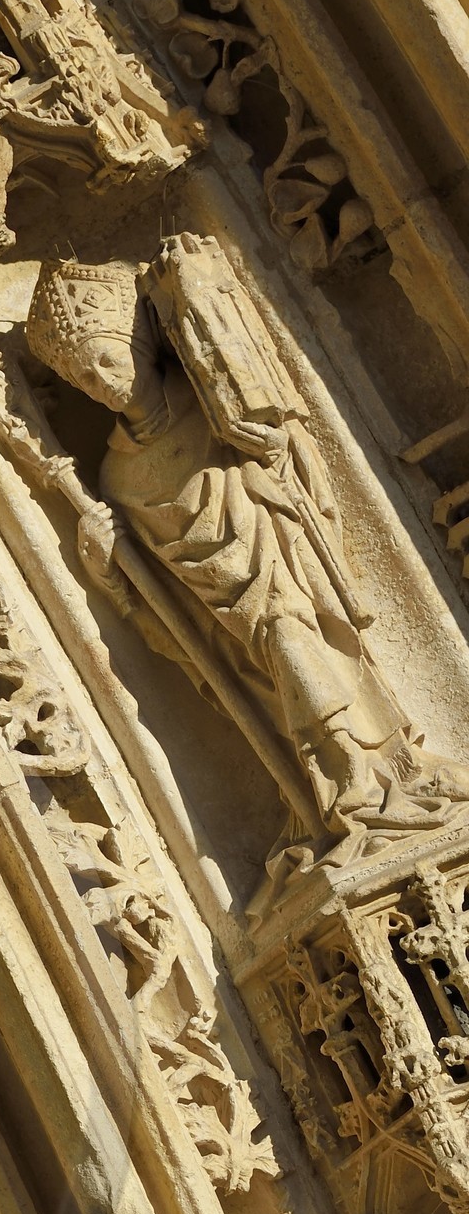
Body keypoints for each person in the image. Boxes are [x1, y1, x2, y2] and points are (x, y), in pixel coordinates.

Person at [26, 234, 469, 845]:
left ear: (141, 348)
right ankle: (342, 786)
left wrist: (200, 293)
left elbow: (277, 446)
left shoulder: (212, 403)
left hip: (282, 569)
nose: (100, 383)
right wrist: (108, 572)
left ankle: (372, 775)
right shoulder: (116, 477)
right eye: (82, 379)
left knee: (297, 637)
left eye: (106, 360)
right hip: (227, 621)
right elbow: (167, 598)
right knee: (280, 664)